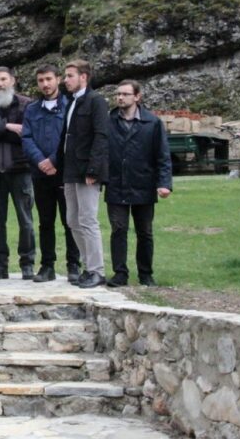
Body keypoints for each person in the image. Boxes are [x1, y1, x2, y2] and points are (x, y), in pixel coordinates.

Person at [105, 80, 173, 288]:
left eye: (125, 94)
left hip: (143, 183)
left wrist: (164, 183)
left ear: (137, 97)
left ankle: (145, 273)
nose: (120, 98)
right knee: (118, 229)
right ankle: (120, 273)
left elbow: (162, 156)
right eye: (118, 94)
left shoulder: (152, 123)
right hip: (116, 184)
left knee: (145, 231)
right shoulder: (108, 121)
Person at [22, 65, 81, 283]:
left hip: (64, 172)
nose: (45, 84)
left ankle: (74, 265)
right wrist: (40, 161)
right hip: (40, 174)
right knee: (45, 221)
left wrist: (55, 160)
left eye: (48, 79)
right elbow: (26, 138)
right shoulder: (32, 109)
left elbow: (71, 137)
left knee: (70, 220)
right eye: (40, 80)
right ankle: (47, 266)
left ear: (58, 79)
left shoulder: (70, 106)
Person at [60, 59, 110, 289]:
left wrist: (94, 169)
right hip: (70, 169)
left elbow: (101, 136)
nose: (65, 80)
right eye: (65, 76)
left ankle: (97, 270)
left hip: (87, 170)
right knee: (72, 219)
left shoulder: (96, 101)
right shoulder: (72, 102)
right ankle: (87, 265)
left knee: (88, 219)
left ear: (84, 77)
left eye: (70, 75)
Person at [0, 66, 36, 282]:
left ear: (12, 80)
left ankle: (27, 263)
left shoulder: (27, 105)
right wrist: (7, 127)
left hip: (21, 169)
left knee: (26, 220)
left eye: (3, 79)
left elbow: (26, 135)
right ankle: (0, 266)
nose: (0, 84)